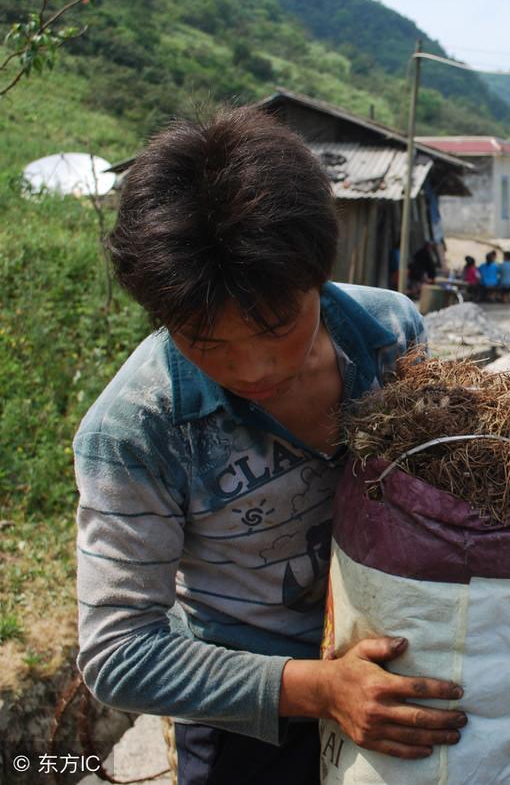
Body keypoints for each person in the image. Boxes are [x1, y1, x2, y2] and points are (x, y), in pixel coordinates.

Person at [74, 106, 466, 784]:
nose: (252, 368)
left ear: (319, 271)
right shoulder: (138, 428)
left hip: (398, 672)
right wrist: (319, 688)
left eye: (277, 324)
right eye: (206, 342)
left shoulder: (390, 335)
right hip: (248, 722)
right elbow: (117, 654)